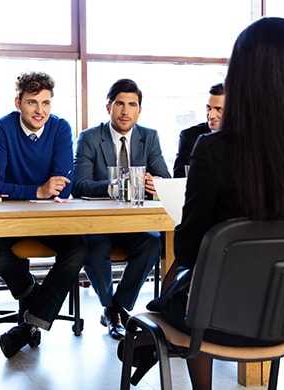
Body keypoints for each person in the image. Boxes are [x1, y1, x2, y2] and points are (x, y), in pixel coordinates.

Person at [125, 17, 284, 390]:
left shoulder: (216, 151)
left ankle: (144, 342)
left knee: (183, 293)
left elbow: (187, 250)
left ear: (242, 82)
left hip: (219, 321)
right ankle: (145, 341)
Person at [0, 71, 87, 358]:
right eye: (32, 103)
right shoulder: (1, 129)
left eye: (46, 103)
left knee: (77, 249)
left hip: (49, 218)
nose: (40, 111)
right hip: (11, 218)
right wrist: (37, 190)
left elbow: (63, 186)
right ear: (18, 103)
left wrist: (40, 190)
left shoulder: (60, 128)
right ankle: (32, 294)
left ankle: (28, 324)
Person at [73, 78, 170, 340]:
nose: (125, 111)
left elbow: (165, 179)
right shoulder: (90, 138)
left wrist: (155, 183)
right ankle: (109, 306)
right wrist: (113, 186)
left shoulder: (149, 137)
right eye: (119, 104)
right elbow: (79, 185)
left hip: (134, 223)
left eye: (132, 105)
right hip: (99, 224)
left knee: (152, 244)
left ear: (139, 110)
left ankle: (117, 308)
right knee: (93, 248)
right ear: (108, 107)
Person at [172, 83, 224, 178]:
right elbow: (180, 176)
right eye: (209, 108)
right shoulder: (189, 136)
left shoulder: (248, 138)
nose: (211, 115)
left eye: (219, 109)